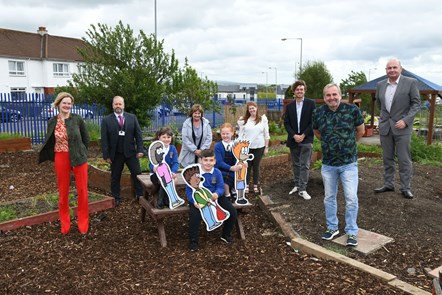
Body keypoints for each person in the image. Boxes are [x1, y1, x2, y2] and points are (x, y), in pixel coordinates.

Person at [312, 83, 365, 246]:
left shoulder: (352, 110)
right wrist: (331, 144)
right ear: (324, 97)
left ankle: (351, 231)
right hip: (328, 164)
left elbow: (360, 130)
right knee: (329, 197)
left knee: (351, 198)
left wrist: (348, 145)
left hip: (349, 163)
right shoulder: (318, 113)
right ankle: (332, 227)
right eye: (328, 95)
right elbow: (317, 132)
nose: (331, 98)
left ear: (340, 95)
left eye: (334, 94)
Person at [39, 92, 90, 234]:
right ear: (58, 104)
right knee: (63, 192)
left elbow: (86, 139)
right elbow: (50, 140)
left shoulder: (77, 119)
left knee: (82, 191)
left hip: (79, 158)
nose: (67, 105)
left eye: (69, 103)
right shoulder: (52, 122)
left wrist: (83, 153)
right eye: (64, 103)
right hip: (61, 157)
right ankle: (65, 225)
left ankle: (83, 224)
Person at [374, 58, 421, 199]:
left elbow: (416, 104)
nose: (392, 70)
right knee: (387, 158)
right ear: (386, 70)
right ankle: (388, 184)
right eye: (389, 68)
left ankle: (405, 187)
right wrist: (383, 119)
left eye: (395, 67)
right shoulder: (380, 85)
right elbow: (379, 104)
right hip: (386, 127)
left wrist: (406, 121)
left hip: (402, 128)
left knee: (404, 159)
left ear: (400, 68)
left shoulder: (411, 83)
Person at [183, 149, 237, 252]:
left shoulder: (217, 172)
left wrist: (217, 194)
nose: (208, 163)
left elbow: (221, 187)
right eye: (205, 160)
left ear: (215, 161)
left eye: (211, 160)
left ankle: (225, 235)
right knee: (195, 216)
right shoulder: (195, 173)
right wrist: (193, 201)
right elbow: (189, 191)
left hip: (214, 197)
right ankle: (193, 241)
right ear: (201, 161)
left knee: (232, 212)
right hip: (198, 198)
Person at [101, 96, 144, 207]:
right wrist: (106, 155)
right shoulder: (106, 120)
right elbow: (104, 139)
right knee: (115, 177)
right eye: (116, 104)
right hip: (115, 154)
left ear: (123, 105)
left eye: (120, 104)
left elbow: (138, 135)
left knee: (137, 174)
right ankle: (116, 197)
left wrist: (140, 149)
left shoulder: (132, 118)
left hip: (131, 153)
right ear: (113, 105)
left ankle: (139, 195)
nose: (118, 106)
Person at [284, 80, 316, 200]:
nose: (299, 91)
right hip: (293, 139)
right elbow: (286, 123)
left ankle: (303, 189)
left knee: (305, 165)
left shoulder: (310, 104)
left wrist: (303, 135)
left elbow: (313, 122)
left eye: (301, 89)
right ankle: (297, 185)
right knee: (296, 164)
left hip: (306, 139)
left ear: (304, 90)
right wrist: (294, 135)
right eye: (297, 89)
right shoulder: (290, 106)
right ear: (294, 91)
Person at [237, 101, 270, 194]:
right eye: (250, 108)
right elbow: (241, 135)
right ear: (248, 110)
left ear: (256, 108)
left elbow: (266, 134)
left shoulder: (262, 119)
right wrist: (240, 147)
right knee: (247, 166)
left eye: (253, 108)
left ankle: (255, 185)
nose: (252, 110)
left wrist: (266, 147)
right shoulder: (244, 121)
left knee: (256, 166)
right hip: (247, 147)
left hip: (259, 146)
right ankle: (246, 185)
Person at [148, 127, 182, 209]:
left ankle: (164, 199)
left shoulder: (172, 148)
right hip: (155, 176)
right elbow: (151, 163)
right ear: (159, 137)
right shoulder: (154, 148)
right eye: (164, 137)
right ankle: (163, 199)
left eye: (168, 137)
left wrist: (173, 171)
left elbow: (175, 162)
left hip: (169, 174)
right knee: (165, 175)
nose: (166, 139)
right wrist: (154, 167)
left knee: (173, 179)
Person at [214, 123, 243, 202]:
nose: (225, 136)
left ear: (232, 133)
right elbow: (219, 162)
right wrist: (231, 168)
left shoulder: (236, 144)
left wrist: (240, 163)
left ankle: (234, 191)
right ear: (220, 134)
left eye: (227, 133)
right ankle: (227, 194)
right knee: (223, 175)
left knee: (239, 172)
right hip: (221, 167)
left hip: (234, 166)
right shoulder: (218, 146)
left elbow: (238, 158)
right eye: (223, 134)